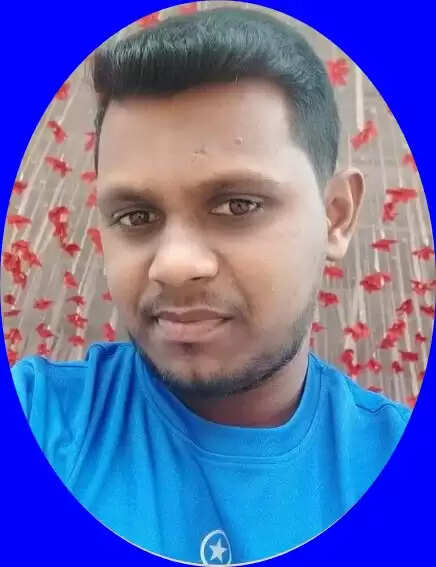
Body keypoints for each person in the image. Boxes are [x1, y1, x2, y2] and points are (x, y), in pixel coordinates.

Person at [11, 7, 411, 565]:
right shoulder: (40, 420)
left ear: (336, 217)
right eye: (135, 216)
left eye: (237, 205)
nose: (174, 266)